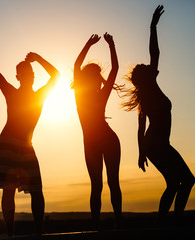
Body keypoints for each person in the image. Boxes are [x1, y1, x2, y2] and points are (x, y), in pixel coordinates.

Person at [0, 36, 60, 236]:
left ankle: (40, 232)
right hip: (7, 144)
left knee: (37, 190)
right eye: (24, 73)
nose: (29, 75)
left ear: (33, 76)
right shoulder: (11, 92)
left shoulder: (40, 95)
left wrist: (38, 58)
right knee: (9, 189)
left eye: (30, 72)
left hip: (27, 145)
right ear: (18, 77)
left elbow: (56, 76)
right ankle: (10, 234)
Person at [123, 5, 195, 223]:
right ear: (146, 76)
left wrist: (141, 153)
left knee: (179, 182)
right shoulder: (150, 88)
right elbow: (155, 53)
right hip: (157, 145)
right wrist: (152, 26)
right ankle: (170, 224)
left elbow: (140, 128)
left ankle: (166, 224)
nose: (149, 65)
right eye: (146, 67)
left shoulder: (145, 95)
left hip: (155, 145)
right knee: (183, 181)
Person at [73, 33, 123, 228]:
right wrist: (88, 44)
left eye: (96, 76)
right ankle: (96, 225)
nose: (95, 79)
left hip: (109, 139)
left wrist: (111, 44)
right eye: (91, 75)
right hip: (91, 144)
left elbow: (115, 69)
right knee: (97, 185)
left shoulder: (102, 94)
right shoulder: (79, 94)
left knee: (113, 182)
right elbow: (77, 66)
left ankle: (119, 221)